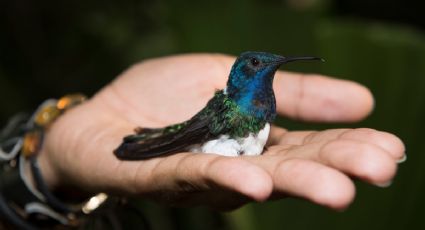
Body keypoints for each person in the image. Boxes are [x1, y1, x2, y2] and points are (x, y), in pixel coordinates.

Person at [1, 53, 405, 227]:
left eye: (267, 64)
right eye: (258, 63)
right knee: (166, 140)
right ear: (245, 72)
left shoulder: (263, 102)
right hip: (206, 135)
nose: (266, 67)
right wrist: (56, 158)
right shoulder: (229, 106)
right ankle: (142, 143)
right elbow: (194, 132)